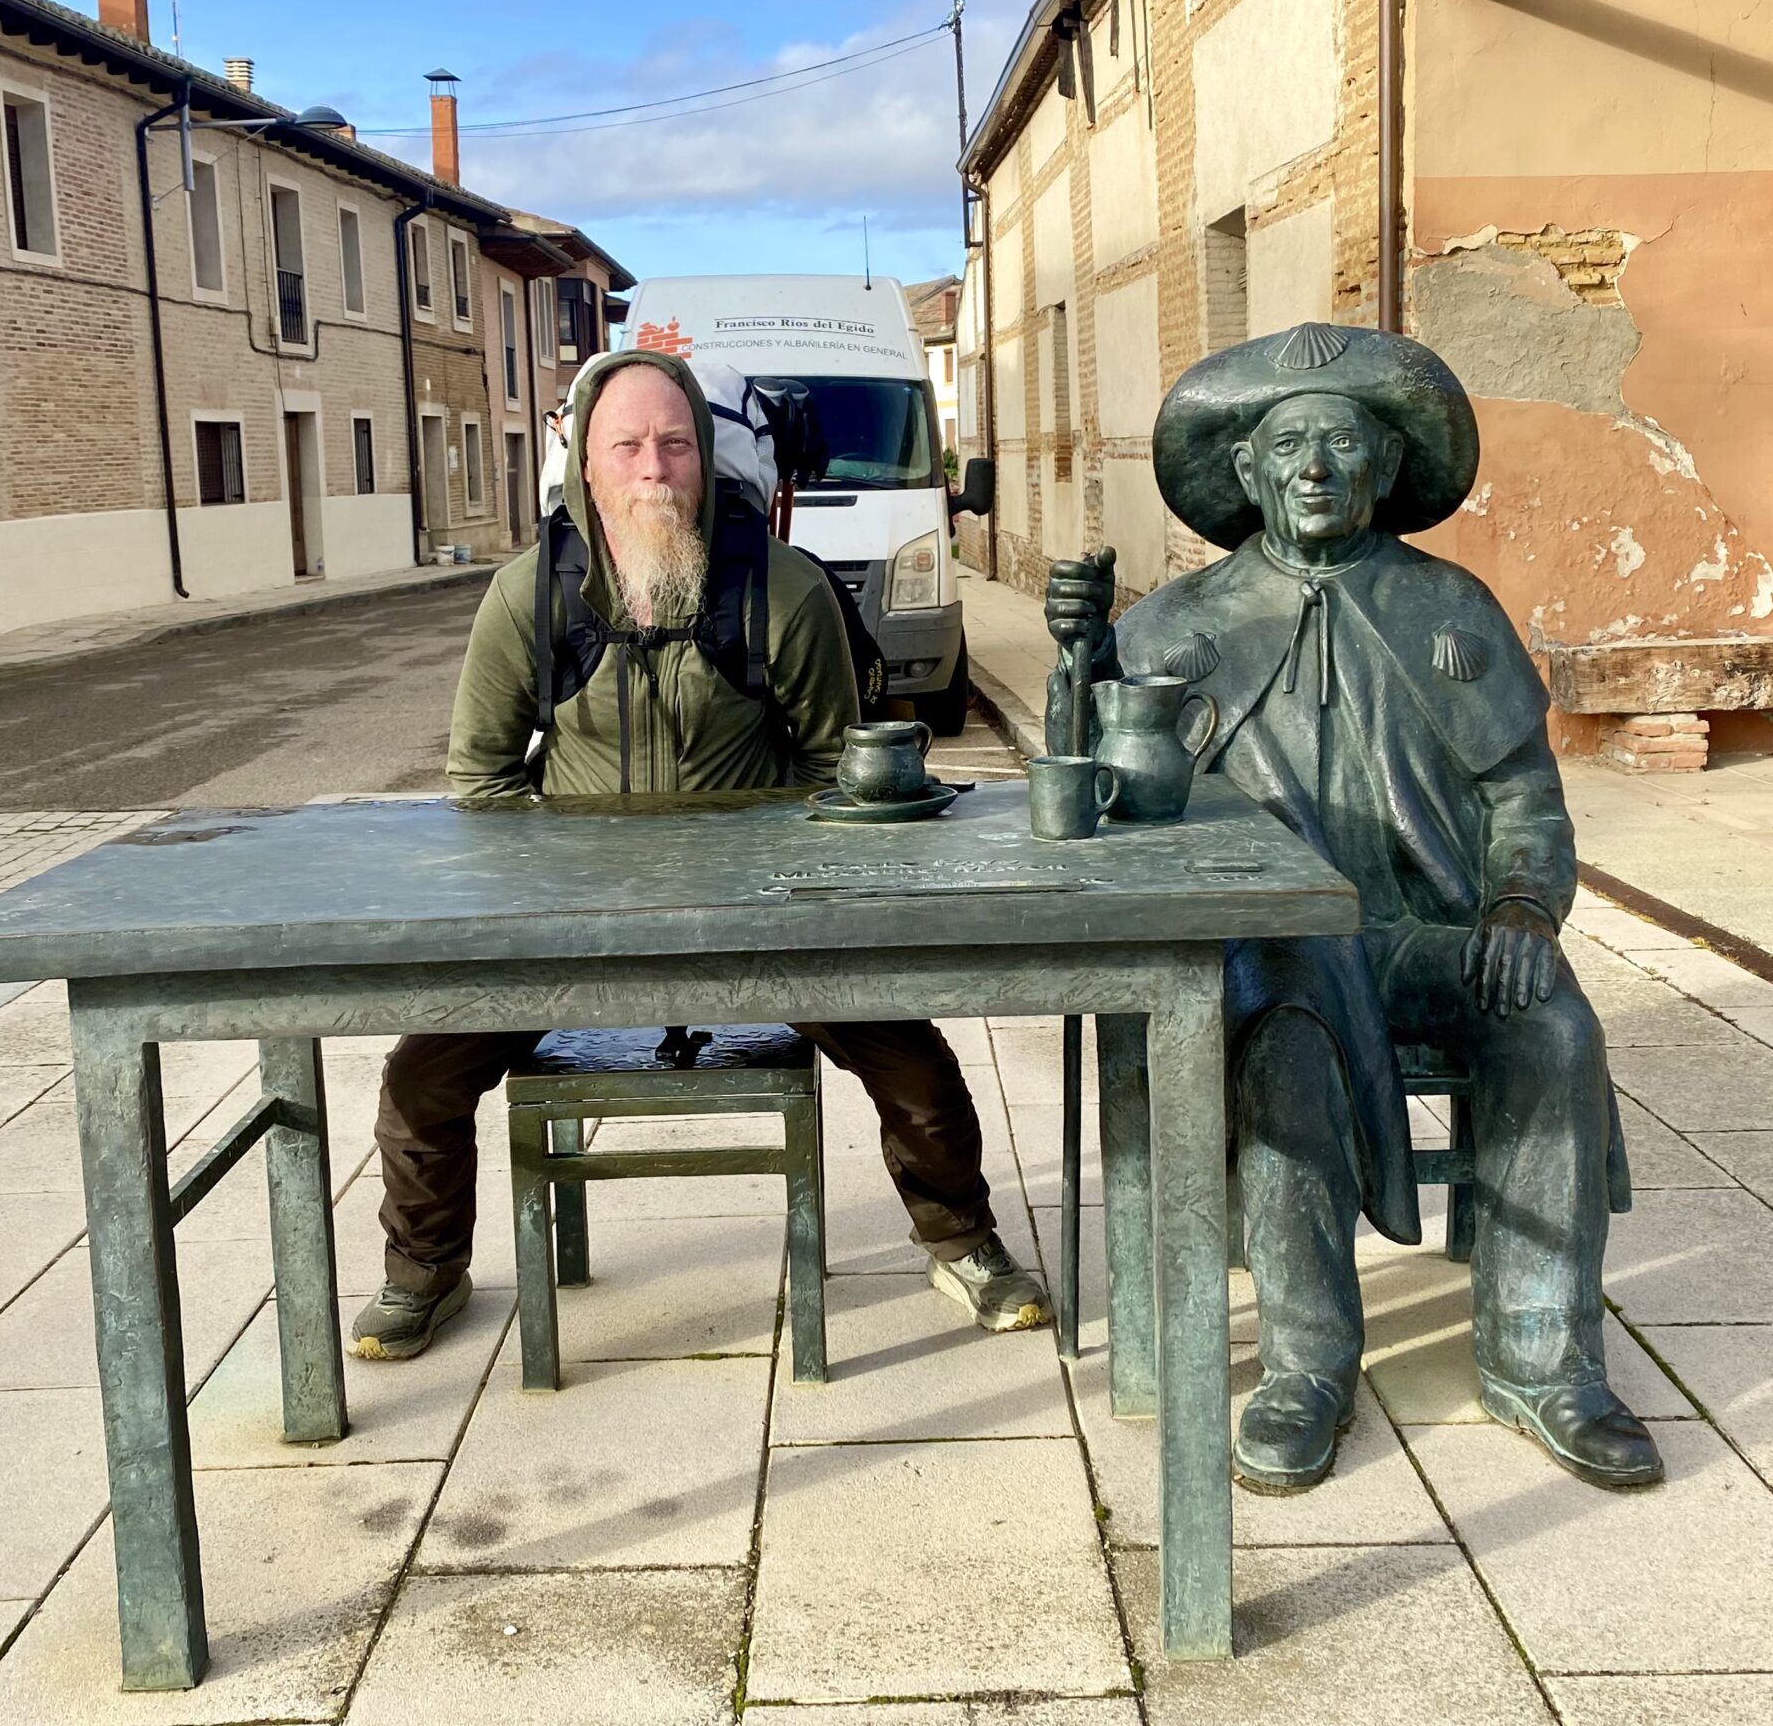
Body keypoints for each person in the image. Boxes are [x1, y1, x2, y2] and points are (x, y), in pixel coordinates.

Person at [1045, 322, 1661, 1495]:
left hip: (1423, 939)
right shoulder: (1175, 624)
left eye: (1341, 443)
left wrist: (1520, 908)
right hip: (1264, 953)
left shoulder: (1452, 609)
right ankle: (1308, 1365)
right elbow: (1100, 799)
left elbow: (1525, 802)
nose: (1316, 468)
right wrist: (1079, 666)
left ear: (1384, 467)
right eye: (1289, 447)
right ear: (1248, 471)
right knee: (1288, 1059)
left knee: (1551, 1025)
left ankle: (1542, 1358)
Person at [351, 347, 1048, 1359]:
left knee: (911, 1058)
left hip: (760, 908)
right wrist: (559, 890)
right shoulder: (525, 597)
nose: (653, 469)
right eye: (626, 445)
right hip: (573, 917)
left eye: (675, 444)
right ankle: (423, 1270)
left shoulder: (783, 589)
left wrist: (765, 877)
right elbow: (484, 783)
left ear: (705, 453)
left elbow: (835, 768)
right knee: (421, 1077)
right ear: (584, 464)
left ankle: (963, 1241)